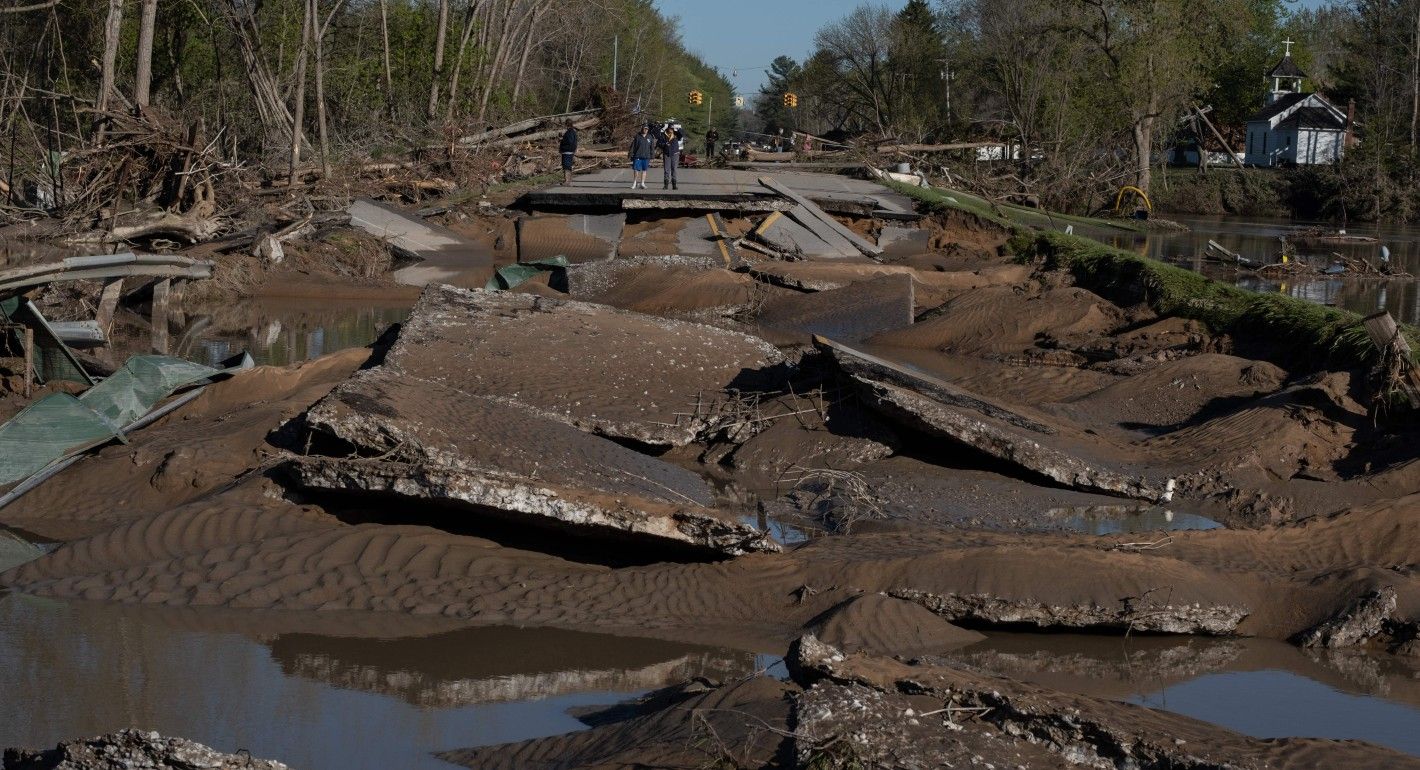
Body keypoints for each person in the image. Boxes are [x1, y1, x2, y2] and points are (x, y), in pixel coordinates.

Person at [657, 120, 684, 190]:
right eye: (670, 128)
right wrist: (664, 144)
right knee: (666, 170)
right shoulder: (663, 135)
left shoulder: (676, 134)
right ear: (668, 128)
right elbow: (659, 144)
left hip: (675, 154)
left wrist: (678, 128)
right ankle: (666, 185)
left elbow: (681, 134)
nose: (671, 130)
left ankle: (674, 185)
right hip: (667, 154)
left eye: (672, 129)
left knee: (674, 169)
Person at [628, 123, 654, 189]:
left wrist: (652, 156)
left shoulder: (650, 137)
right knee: (636, 170)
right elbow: (633, 146)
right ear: (642, 129)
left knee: (644, 170)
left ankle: (642, 183)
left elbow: (652, 147)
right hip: (638, 156)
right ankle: (634, 183)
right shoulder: (637, 136)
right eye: (645, 129)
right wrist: (630, 154)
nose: (646, 130)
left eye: (647, 129)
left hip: (646, 156)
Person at [558, 119, 578, 185]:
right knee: (568, 166)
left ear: (566, 124)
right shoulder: (572, 131)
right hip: (569, 151)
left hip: (567, 151)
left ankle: (567, 181)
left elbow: (569, 141)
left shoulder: (570, 132)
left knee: (566, 166)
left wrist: (562, 139)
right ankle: (568, 180)